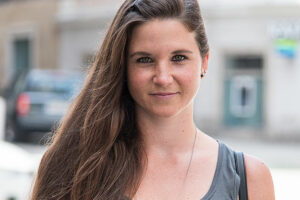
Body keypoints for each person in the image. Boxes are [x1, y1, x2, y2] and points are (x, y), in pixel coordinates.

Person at [30, 0, 275, 199]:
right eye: (144, 59)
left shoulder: (248, 179)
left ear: (205, 62)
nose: (163, 77)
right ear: (122, 67)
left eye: (178, 58)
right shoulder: (72, 166)